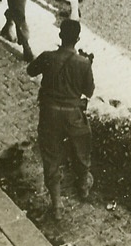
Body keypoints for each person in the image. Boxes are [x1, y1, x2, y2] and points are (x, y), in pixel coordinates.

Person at [27, 19, 95, 216]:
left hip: (49, 114)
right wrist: (87, 65)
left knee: (51, 155)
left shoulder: (48, 57)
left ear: (60, 35)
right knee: (82, 149)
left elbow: (31, 70)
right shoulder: (83, 63)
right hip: (73, 115)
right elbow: (88, 91)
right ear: (78, 39)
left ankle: (56, 204)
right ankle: (83, 185)